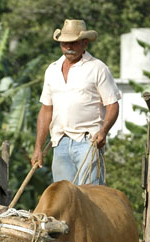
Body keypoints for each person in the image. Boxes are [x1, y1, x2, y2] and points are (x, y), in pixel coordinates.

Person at [31, 19, 121, 185]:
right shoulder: (52, 70)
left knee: (90, 196)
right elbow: (46, 110)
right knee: (64, 199)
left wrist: (104, 132)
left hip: (88, 142)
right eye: (65, 43)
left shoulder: (97, 68)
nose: (68, 47)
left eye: (73, 43)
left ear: (84, 43)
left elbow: (112, 105)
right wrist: (38, 148)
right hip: (59, 142)